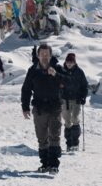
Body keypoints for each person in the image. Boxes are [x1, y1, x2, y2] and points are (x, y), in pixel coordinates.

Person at [21, 44, 71, 174]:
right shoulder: (33, 70)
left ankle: (54, 164)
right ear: (38, 56)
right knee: (42, 137)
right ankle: (45, 164)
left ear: (50, 55)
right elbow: (26, 90)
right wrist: (25, 107)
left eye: (46, 54)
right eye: (42, 54)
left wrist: (56, 75)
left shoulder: (58, 68)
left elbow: (69, 83)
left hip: (54, 107)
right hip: (39, 108)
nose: (44, 56)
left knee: (54, 135)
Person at [61, 53, 88, 152]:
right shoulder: (62, 71)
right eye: (68, 62)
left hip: (76, 100)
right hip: (65, 100)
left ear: (74, 62)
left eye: (71, 62)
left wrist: (83, 97)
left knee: (75, 119)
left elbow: (84, 85)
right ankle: (69, 144)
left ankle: (75, 143)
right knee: (67, 121)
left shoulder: (79, 72)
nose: (69, 64)